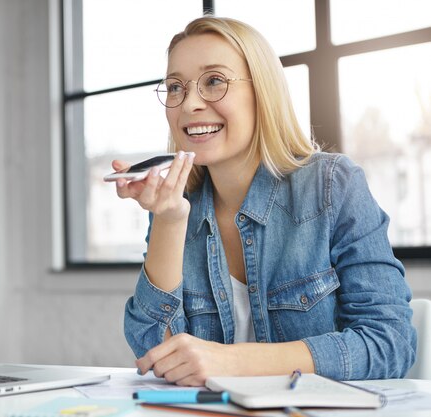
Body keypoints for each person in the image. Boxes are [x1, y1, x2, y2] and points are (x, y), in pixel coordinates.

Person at [113, 16, 416, 386]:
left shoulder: (333, 186)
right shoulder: (175, 206)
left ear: (263, 92)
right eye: (175, 87)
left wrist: (234, 361)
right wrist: (170, 220)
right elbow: (151, 348)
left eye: (214, 82)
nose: (189, 103)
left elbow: (390, 344)